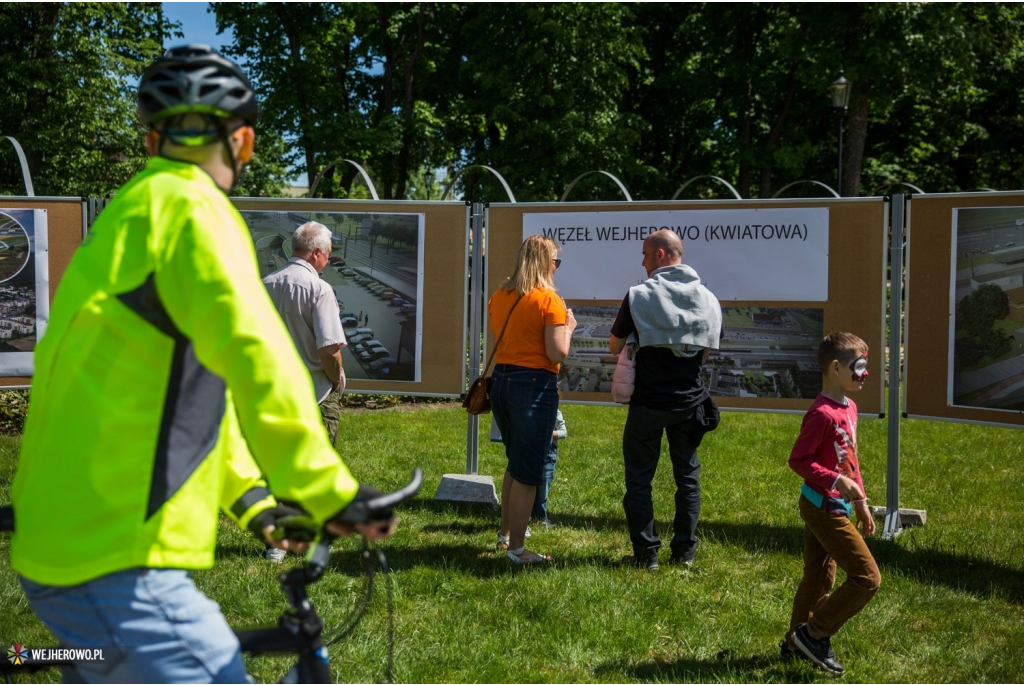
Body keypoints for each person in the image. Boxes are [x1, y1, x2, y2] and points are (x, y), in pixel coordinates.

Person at [9, 45, 395, 684]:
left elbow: (180, 397)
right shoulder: (197, 211)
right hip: (114, 560)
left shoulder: (126, 217)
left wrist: (252, 502)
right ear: (241, 142)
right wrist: (331, 492)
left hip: (70, 542)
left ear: (152, 137)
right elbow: (258, 359)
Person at [608, 229, 721, 572]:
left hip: (648, 404)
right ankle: (684, 553)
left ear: (660, 255)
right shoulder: (709, 299)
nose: (642, 262)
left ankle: (647, 555)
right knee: (687, 478)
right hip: (689, 404)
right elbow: (703, 353)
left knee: (639, 480)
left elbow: (614, 347)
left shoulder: (638, 295)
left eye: (644, 254)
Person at [782, 332, 880, 675]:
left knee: (819, 576)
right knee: (867, 578)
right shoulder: (822, 414)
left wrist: (862, 500)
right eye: (860, 366)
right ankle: (814, 634)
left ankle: (796, 643)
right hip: (821, 506)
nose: (865, 373)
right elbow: (798, 460)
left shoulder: (850, 407)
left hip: (838, 505)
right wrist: (837, 482)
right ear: (836, 367)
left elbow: (850, 460)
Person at [489, 235, 576, 564]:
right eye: (556, 261)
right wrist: (568, 327)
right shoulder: (549, 300)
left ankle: (506, 535)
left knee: (515, 463)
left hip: (501, 381)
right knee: (528, 470)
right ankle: (517, 551)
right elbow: (558, 352)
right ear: (546, 263)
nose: (557, 267)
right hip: (533, 384)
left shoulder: (500, 295)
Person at [263, 221, 347, 447]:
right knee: (316, 471)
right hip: (315, 396)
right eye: (328, 254)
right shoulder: (320, 289)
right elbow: (330, 351)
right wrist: (336, 381)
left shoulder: (264, 285)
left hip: (273, 396)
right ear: (316, 252)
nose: (327, 261)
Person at [531, 408, 567, 527]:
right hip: (532, 450)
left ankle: (540, 517)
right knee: (528, 484)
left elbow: (563, 432)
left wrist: (549, 433)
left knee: (543, 487)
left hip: (548, 455)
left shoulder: (555, 412)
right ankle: (527, 515)